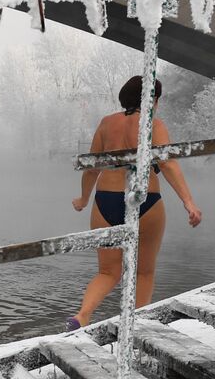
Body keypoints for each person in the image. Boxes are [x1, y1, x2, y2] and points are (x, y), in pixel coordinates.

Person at [68, 77, 203, 330]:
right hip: (145, 199)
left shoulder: (106, 123)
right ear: (153, 99)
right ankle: (135, 325)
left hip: (106, 200)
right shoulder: (153, 124)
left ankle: (82, 316)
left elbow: (92, 167)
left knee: (107, 272)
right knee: (143, 272)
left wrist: (84, 198)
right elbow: (167, 163)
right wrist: (189, 202)